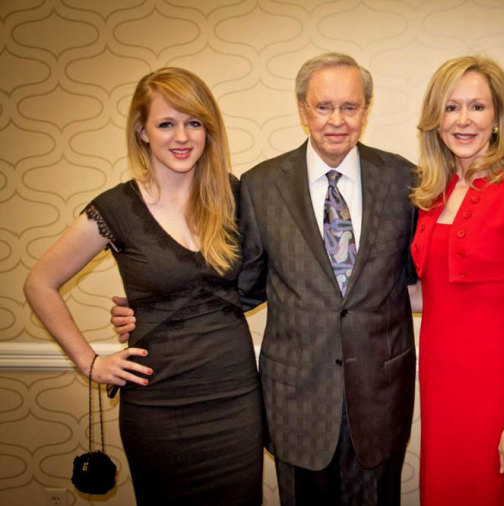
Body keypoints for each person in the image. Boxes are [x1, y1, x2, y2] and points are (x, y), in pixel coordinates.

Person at [112, 53, 418, 506]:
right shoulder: (259, 186)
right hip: (296, 398)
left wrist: (498, 302)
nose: (336, 120)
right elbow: (236, 286)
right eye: (322, 106)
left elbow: (423, 273)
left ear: (366, 110)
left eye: (350, 107)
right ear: (302, 110)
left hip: (380, 395)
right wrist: (155, 309)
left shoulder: (405, 179)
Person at [24, 67, 264, 505]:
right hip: (159, 406)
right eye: (166, 123)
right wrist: (91, 362)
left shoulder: (233, 196)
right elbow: (40, 282)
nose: (182, 136)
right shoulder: (116, 208)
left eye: (194, 122)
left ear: (209, 131)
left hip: (235, 400)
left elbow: (263, 279)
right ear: (142, 131)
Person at [410, 55, 504, 505]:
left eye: (477, 107)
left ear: (498, 118)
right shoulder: (429, 194)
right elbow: (427, 293)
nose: (463, 120)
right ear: (437, 119)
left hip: (495, 381)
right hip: (439, 377)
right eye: (451, 108)